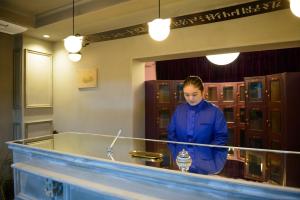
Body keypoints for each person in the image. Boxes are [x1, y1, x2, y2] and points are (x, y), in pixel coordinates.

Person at [168, 76, 228, 174]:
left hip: (207, 165)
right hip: (182, 163)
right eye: (186, 95)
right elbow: (171, 137)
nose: (190, 98)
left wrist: (215, 166)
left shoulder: (214, 112)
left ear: (202, 92)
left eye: (194, 94)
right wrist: (176, 157)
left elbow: (221, 139)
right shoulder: (179, 110)